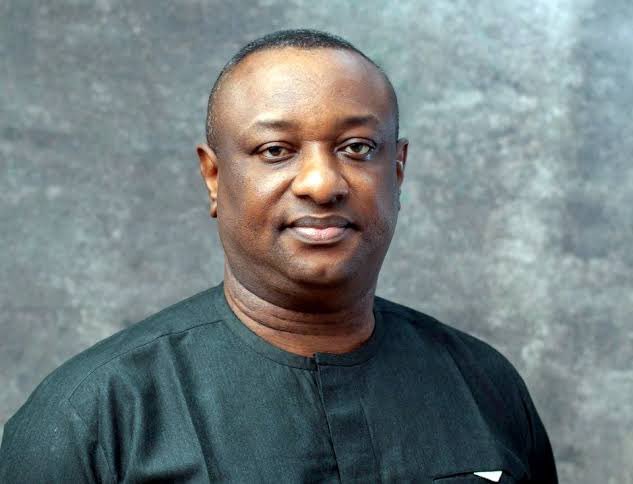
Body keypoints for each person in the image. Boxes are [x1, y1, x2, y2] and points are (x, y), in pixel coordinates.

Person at [0, 29, 557, 483]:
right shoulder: (93, 418)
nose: (321, 183)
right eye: (275, 150)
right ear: (214, 177)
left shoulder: (485, 387)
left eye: (357, 147)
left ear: (398, 169)